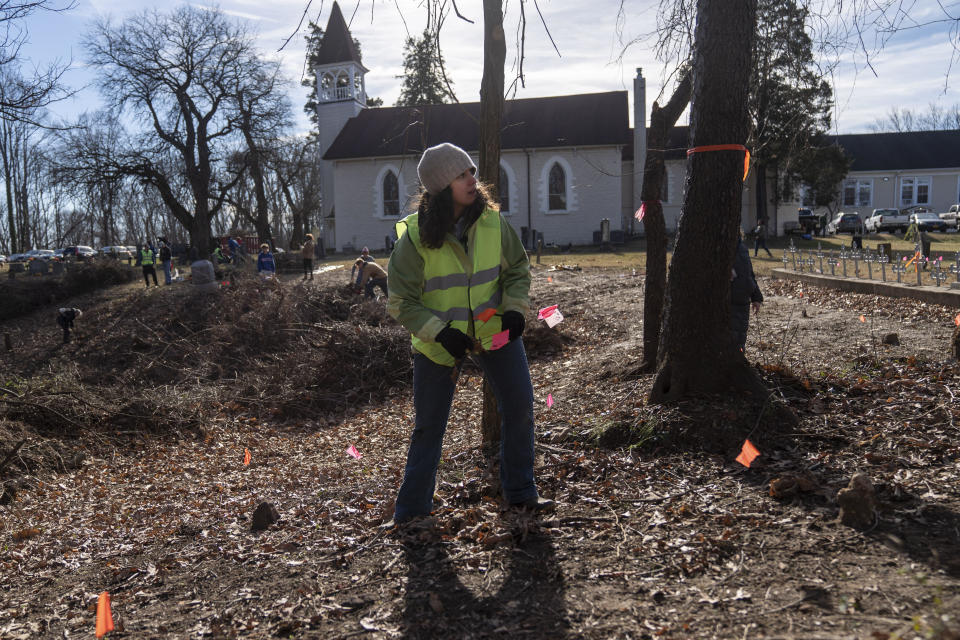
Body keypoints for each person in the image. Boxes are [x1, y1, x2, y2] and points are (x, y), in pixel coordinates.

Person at [386, 142, 552, 526]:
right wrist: (440, 334)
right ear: (442, 186)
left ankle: (522, 494)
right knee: (429, 427)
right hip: (437, 347)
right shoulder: (412, 238)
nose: (472, 179)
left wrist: (514, 309)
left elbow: (516, 269)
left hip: (496, 335)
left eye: (472, 172)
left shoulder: (494, 222)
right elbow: (401, 301)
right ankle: (411, 512)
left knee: (521, 409)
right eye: (461, 175)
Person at [731, 236, 763, 352]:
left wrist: (756, 297)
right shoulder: (720, 246)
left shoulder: (742, 247)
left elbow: (749, 274)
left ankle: (739, 356)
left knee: (740, 334)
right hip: (731, 299)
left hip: (743, 298)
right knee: (732, 334)